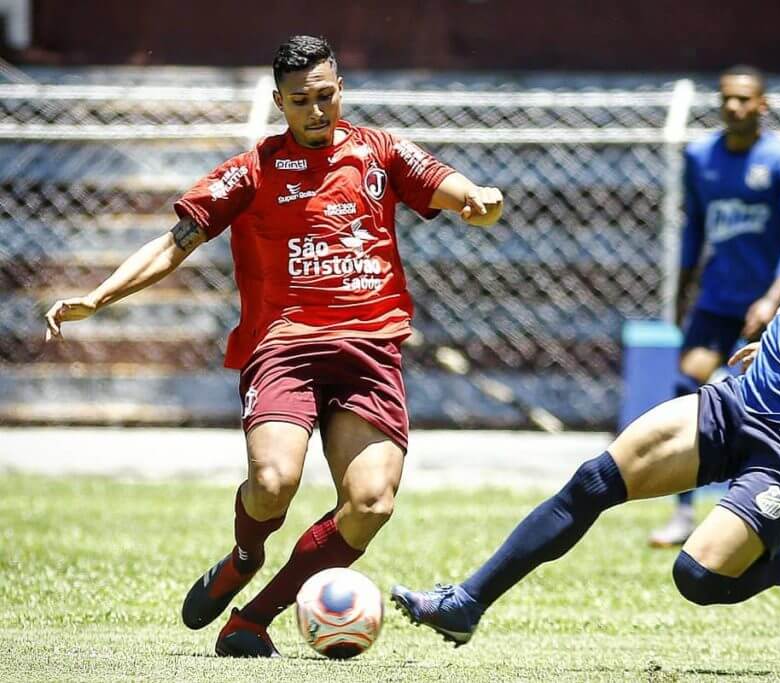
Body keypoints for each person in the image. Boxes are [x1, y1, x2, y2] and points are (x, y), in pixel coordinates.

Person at [391, 109, 780, 647]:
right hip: (736, 403)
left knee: (696, 577)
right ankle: (466, 602)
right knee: (594, 481)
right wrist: (776, 344)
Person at [43, 35, 503, 658]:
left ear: (340, 90)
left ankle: (251, 620)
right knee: (272, 481)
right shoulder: (254, 168)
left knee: (369, 503)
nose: (316, 111)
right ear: (278, 102)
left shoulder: (382, 152)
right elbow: (175, 243)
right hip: (285, 348)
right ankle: (242, 556)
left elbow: (456, 188)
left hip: (370, 354)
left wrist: (479, 202)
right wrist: (99, 297)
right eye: (299, 101)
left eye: (324, 96)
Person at [650, 65, 780, 547]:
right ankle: (683, 511)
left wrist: (774, 297)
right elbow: (694, 228)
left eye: (744, 99)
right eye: (726, 98)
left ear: (762, 105)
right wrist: (682, 290)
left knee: (777, 409)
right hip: (718, 299)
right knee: (687, 388)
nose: (733, 107)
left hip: (769, 306)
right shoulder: (701, 158)